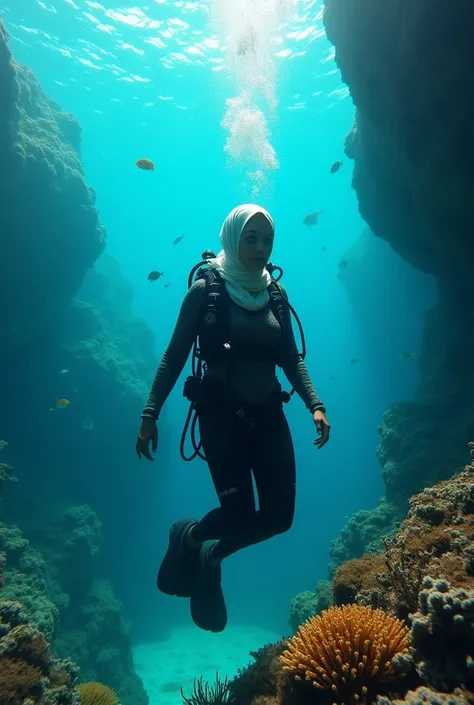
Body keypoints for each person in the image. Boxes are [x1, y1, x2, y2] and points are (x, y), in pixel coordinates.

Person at [136, 203, 331, 633]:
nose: (261, 249)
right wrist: (150, 413)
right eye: (251, 238)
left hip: (269, 418)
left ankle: (211, 553)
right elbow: (173, 356)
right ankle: (188, 537)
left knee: (280, 518)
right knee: (239, 514)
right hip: (223, 421)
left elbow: (290, 359)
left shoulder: (274, 295)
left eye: (267, 240)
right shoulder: (206, 293)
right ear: (232, 237)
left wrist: (314, 404)